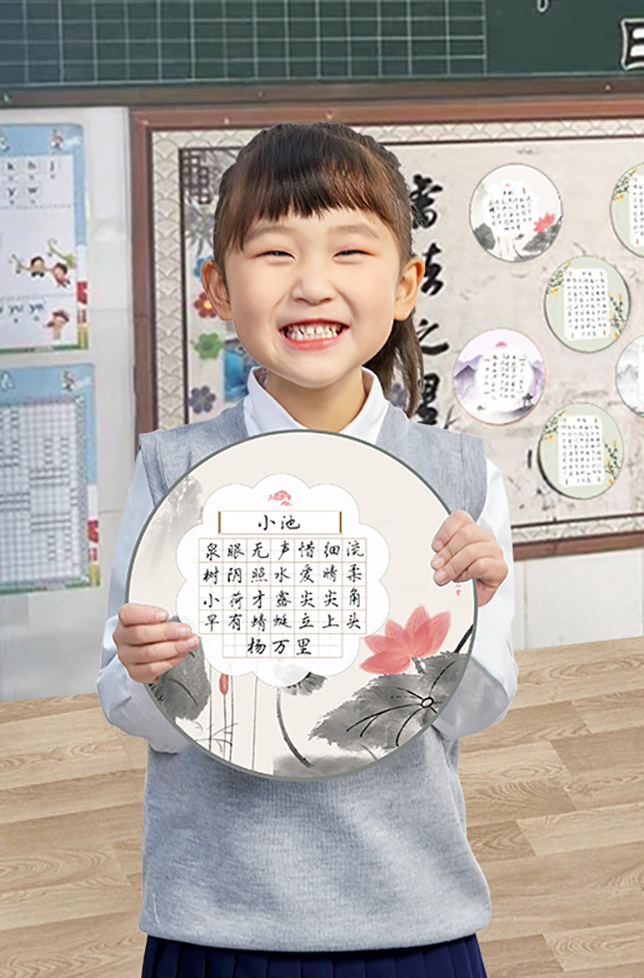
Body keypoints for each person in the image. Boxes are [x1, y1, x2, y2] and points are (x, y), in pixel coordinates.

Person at [97, 121, 517, 977]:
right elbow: (133, 709)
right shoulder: (174, 472)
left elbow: (475, 711)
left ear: (405, 285)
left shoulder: (457, 479)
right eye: (275, 252)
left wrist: (467, 617)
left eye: (350, 251)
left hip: (411, 915)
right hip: (218, 924)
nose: (313, 283)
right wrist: (144, 672)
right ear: (218, 289)